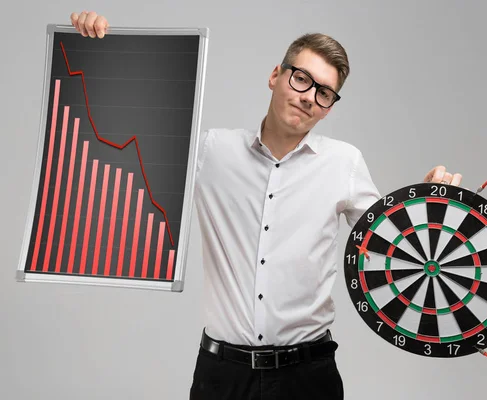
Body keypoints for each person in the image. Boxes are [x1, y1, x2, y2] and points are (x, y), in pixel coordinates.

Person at [69, 11, 463, 400]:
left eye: (323, 92)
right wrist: (100, 49)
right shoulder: (211, 150)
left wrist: (429, 206)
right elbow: (126, 135)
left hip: (309, 377)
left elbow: (396, 245)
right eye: (302, 78)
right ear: (276, 75)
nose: (309, 97)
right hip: (221, 377)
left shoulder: (344, 163)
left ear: (329, 106)